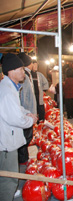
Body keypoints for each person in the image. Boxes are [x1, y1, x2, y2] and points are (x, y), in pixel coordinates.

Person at [0, 53, 37, 201]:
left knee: (9, 174)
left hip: (9, 139)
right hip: (7, 143)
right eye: (20, 69)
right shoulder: (8, 92)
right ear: (11, 71)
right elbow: (15, 118)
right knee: (9, 177)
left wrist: (27, 113)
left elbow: (17, 109)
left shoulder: (10, 87)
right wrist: (30, 120)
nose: (23, 72)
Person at [17, 52, 37, 165]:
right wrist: (26, 113)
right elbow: (23, 97)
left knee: (27, 136)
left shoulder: (26, 75)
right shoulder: (22, 76)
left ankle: (23, 157)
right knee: (25, 137)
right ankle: (23, 159)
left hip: (28, 111)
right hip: (26, 112)